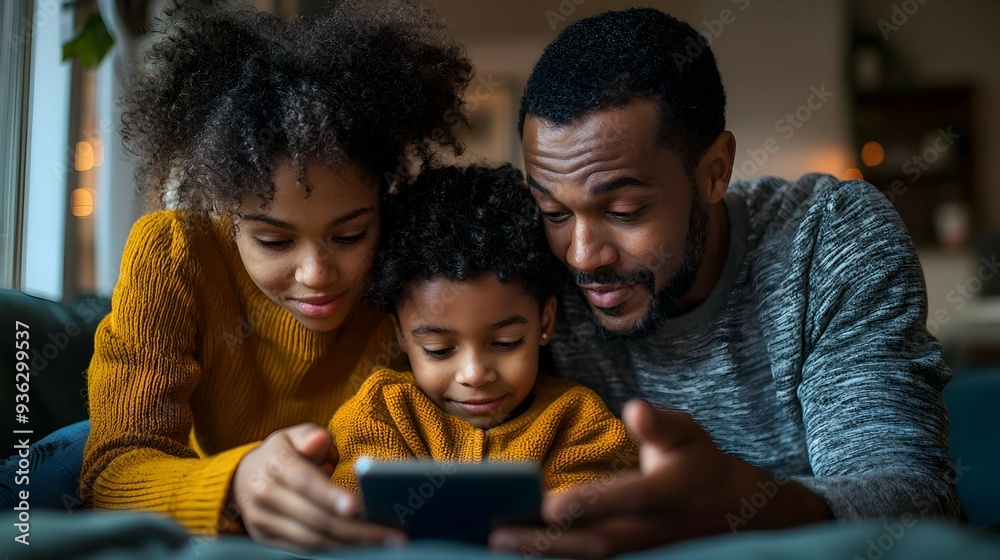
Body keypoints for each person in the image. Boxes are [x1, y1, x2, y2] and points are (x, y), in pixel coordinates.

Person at [489, 7, 966, 558]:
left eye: (623, 211)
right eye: (554, 212)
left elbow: (918, 500)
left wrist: (755, 510)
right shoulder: (528, 268)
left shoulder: (827, 238)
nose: (582, 256)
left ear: (715, 171)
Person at [79, 0, 471, 550]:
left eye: (350, 235)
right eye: (274, 241)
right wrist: (236, 484)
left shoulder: (412, 261)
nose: (317, 274)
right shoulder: (174, 254)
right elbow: (112, 471)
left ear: (383, 205)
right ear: (225, 209)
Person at [328, 164, 638, 495]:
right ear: (401, 335)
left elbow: (588, 509)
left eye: (505, 343)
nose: (474, 375)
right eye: (438, 350)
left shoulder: (577, 420)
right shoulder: (382, 411)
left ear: (545, 322)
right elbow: (351, 502)